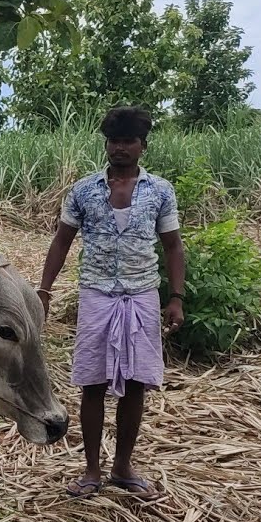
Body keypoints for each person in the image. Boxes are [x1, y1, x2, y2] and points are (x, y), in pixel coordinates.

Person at [37, 105, 185, 501]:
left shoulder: (160, 191)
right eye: (113, 141)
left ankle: (122, 467)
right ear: (106, 144)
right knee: (92, 383)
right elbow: (62, 241)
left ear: (142, 146)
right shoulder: (85, 190)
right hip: (97, 295)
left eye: (128, 141)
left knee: (136, 384)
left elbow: (172, 246)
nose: (119, 148)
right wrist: (44, 290)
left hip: (141, 296)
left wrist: (175, 297)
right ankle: (90, 470)